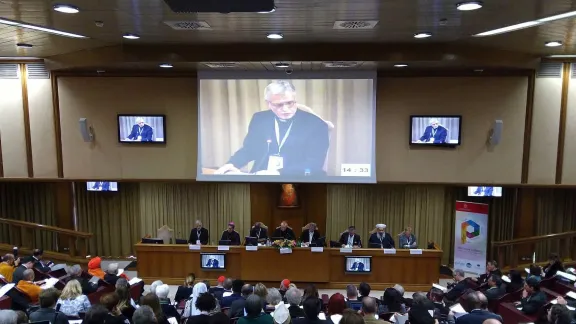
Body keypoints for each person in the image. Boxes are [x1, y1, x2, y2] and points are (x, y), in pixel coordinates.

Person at [214, 81, 330, 176]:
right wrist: (231, 164)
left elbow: (314, 163)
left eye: (290, 103)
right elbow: (249, 149)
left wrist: (277, 173)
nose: (285, 109)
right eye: (278, 104)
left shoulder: (317, 125)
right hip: (261, 177)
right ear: (268, 103)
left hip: (300, 180)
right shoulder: (259, 119)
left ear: (295, 100)